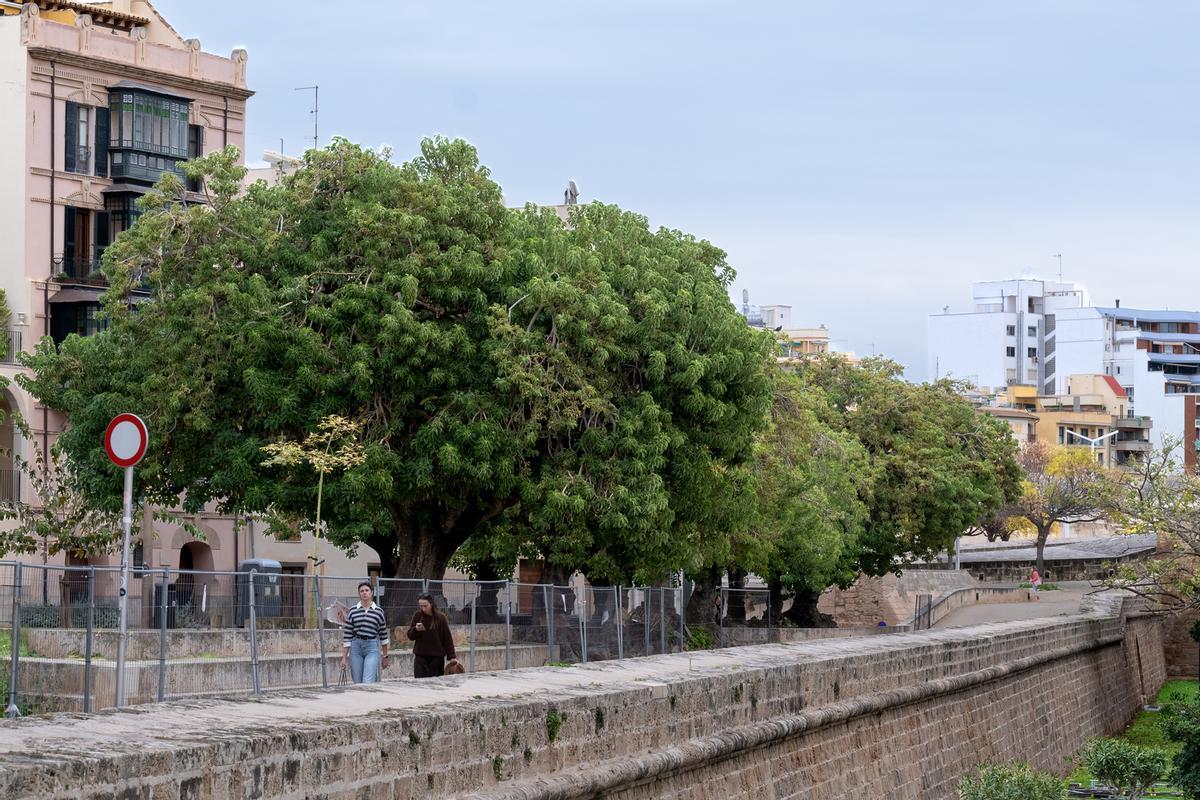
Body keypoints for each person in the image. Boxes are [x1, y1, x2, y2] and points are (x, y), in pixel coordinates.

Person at [340, 582, 389, 683]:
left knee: (367, 681)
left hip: (372, 646)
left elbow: (383, 636)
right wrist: (344, 657)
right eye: (361, 591)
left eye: (367, 590)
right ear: (359, 594)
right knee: (357, 681)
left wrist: (385, 657)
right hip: (356, 647)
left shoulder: (379, 611)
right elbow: (347, 635)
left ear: (371, 593)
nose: (364, 593)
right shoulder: (353, 611)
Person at [406, 592, 458, 678]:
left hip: (436, 658)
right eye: (421, 606)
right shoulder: (417, 615)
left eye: (425, 606)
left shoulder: (441, 618)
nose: (423, 609)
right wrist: (416, 629)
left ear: (431, 604)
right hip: (420, 657)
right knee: (419, 684)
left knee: (435, 686)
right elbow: (410, 636)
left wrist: (452, 657)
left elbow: (447, 639)